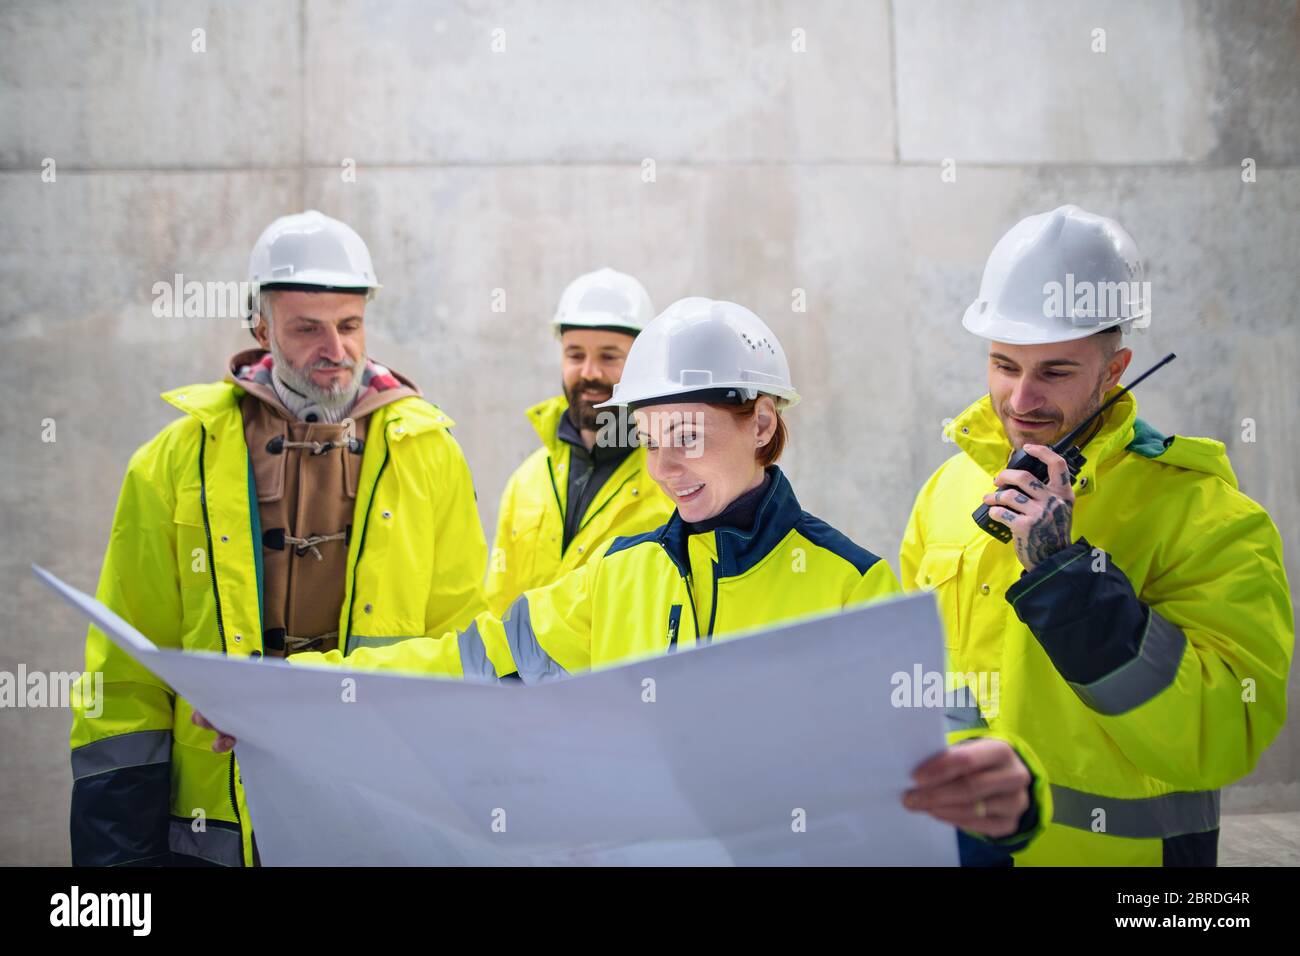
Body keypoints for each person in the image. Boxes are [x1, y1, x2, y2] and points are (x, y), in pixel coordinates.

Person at [198, 297, 1053, 861]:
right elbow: (462, 664)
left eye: (687, 434)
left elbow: (953, 769)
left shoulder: (854, 587)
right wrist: (284, 691)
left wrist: (1009, 801)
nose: (665, 467)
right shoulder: (616, 580)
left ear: (760, 423)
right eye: (648, 439)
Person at [70, 210, 489, 866]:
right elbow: (127, 672)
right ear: (260, 327)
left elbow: (463, 647)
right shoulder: (173, 459)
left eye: (349, 325)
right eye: (306, 329)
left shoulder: (430, 456)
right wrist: (116, 857)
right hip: (217, 827)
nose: (337, 349)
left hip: (376, 817)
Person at [901, 204, 1294, 865]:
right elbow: (913, 683)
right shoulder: (949, 492)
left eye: (1055, 371)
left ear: (1116, 370)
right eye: (1004, 364)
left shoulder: (1207, 515)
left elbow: (1227, 732)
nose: (1021, 399)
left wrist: (1072, 585)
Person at [484, 268, 673, 616]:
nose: (589, 372)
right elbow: (498, 610)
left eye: (609, 356)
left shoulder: (673, 482)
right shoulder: (526, 482)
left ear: (643, 361)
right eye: (575, 355)